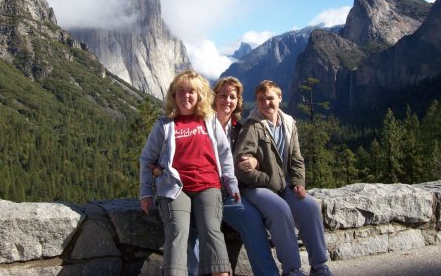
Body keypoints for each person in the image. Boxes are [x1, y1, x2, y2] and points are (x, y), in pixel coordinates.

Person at [139, 69, 240, 276]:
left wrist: (231, 183)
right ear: (173, 95)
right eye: (181, 91)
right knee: (177, 232)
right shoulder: (164, 125)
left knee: (212, 230)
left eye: (191, 91)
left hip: (208, 185)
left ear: (199, 95)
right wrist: (146, 193)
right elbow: (147, 159)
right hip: (176, 188)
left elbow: (224, 155)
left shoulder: (210, 121)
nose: (186, 96)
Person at [233, 80, 333, 276]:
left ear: (280, 98)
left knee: (311, 206)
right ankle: (292, 270)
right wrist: (267, 179)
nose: (265, 103)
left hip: (285, 187)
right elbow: (241, 166)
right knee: (280, 209)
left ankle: (320, 267)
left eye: (270, 98)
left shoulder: (289, 123)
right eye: (260, 99)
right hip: (256, 188)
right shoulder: (252, 127)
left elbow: (296, 158)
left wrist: (298, 183)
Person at [188, 77, 280, 276]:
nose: (227, 100)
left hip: (230, 193)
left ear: (238, 101)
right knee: (192, 229)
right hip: (201, 189)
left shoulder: (242, 128)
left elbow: (258, 154)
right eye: (223, 95)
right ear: (214, 97)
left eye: (232, 96)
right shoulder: (199, 124)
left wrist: (255, 161)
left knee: (252, 220)